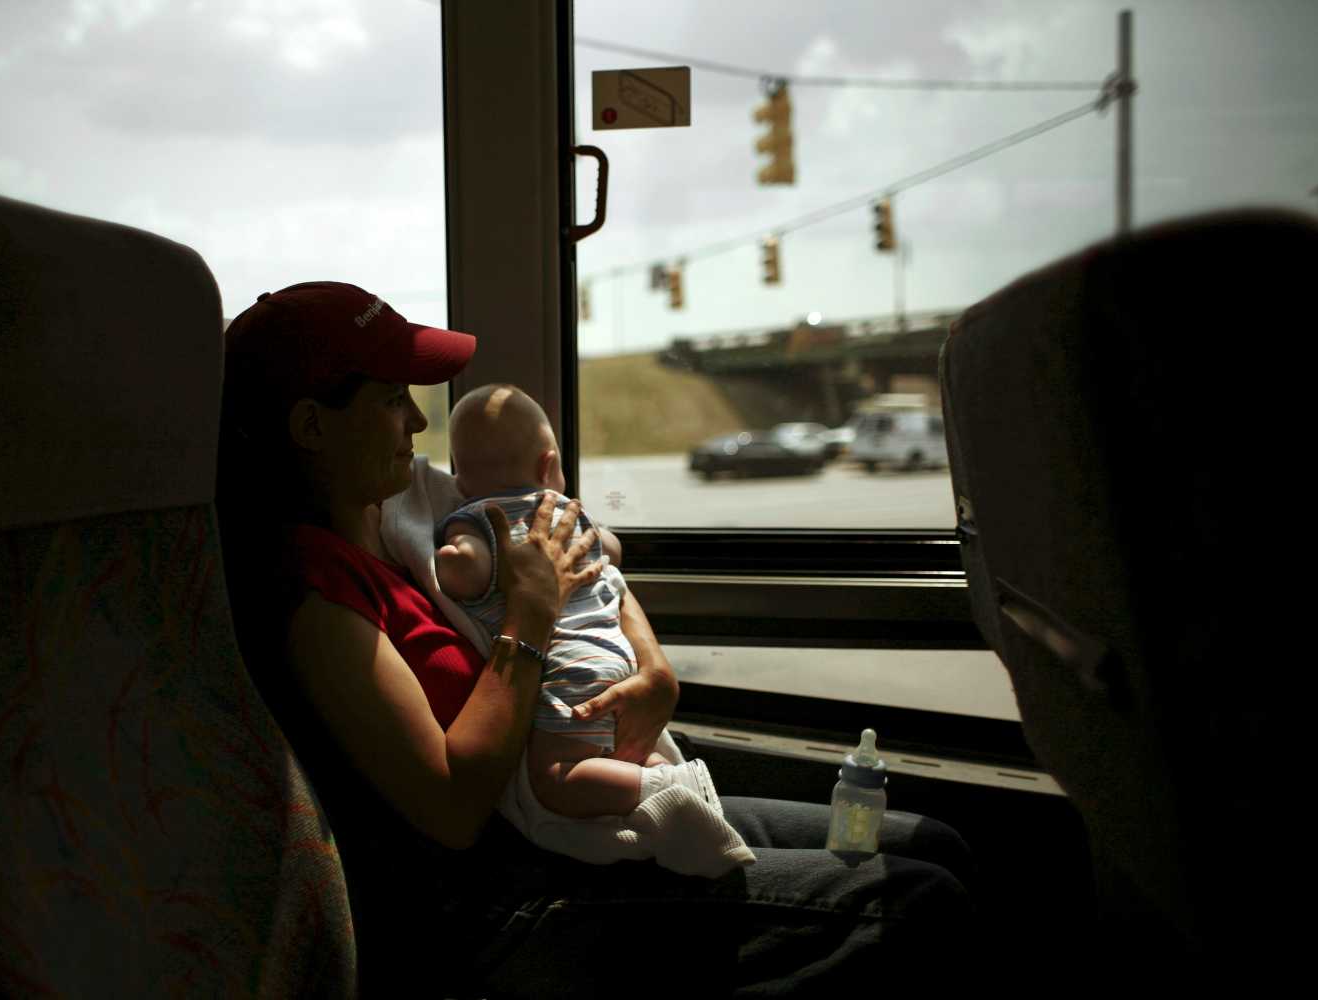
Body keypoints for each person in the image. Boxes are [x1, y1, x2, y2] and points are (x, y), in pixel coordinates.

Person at [216, 280, 976, 998]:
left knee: (930, 841)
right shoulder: (314, 591)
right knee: (917, 904)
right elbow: (448, 806)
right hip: (512, 904)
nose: (419, 422)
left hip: (578, 822)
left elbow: (567, 547)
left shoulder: (408, 500)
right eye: (391, 400)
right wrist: (529, 622)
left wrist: (653, 667)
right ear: (312, 427)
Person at [436, 382, 755, 875]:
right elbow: (612, 552)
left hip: (564, 665)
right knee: (605, 756)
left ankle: (664, 791)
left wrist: (454, 556)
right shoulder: (568, 513)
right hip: (612, 654)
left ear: (459, 479)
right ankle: (664, 780)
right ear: (548, 467)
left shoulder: (478, 518)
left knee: (558, 777)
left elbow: (465, 570)